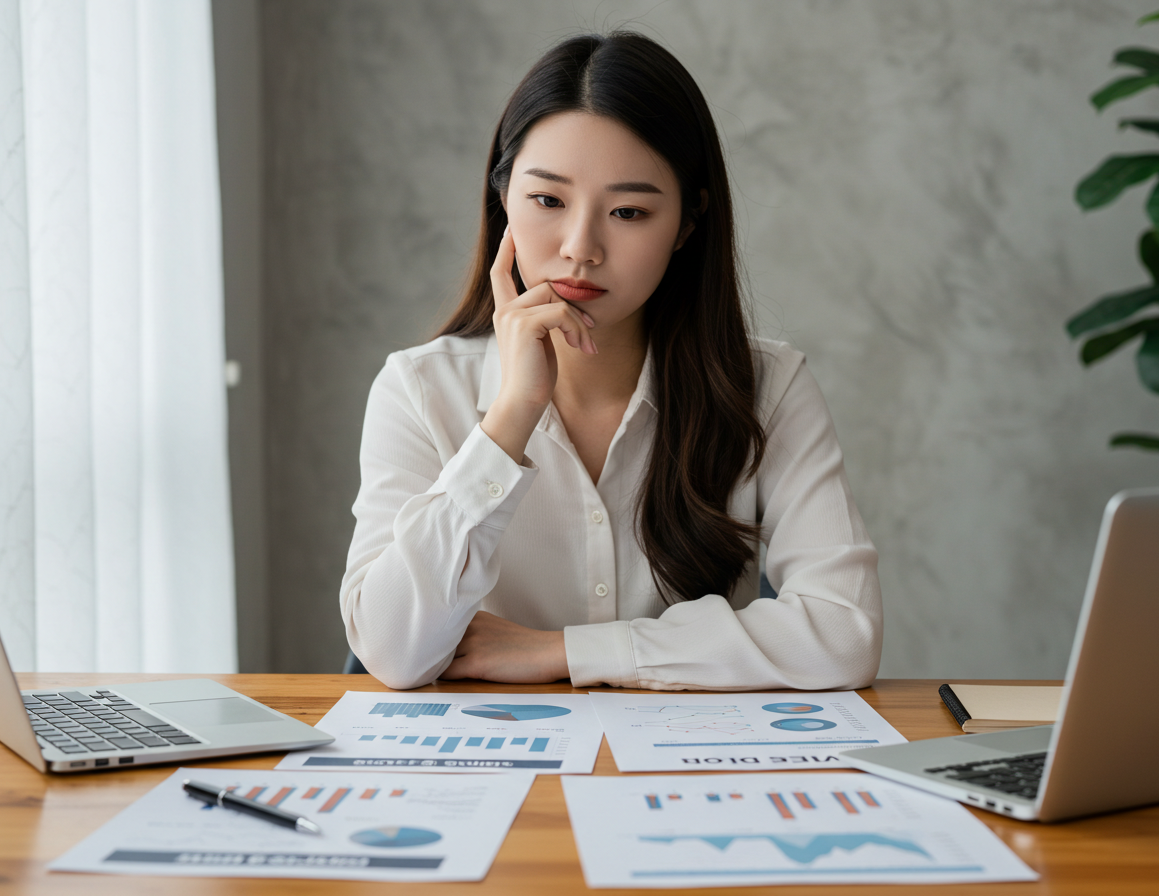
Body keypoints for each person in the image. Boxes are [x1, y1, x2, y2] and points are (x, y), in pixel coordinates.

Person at [340, 32, 881, 691]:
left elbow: (844, 634)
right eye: (547, 201)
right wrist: (511, 417)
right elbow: (394, 653)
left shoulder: (768, 387)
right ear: (503, 198)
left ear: (687, 223)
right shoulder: (420, 389)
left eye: (628, 211)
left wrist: (563, 653)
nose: (580, 247)